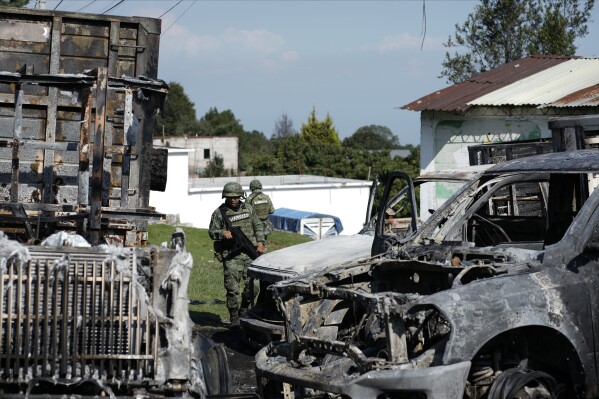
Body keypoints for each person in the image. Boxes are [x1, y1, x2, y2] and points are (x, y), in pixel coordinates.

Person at [208, 182, 265, 328]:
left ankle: (244, 309)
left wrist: (260, 242)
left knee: (255, 287)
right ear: (225, 197)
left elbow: (258, 225)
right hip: (232, 257)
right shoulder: (219, 213)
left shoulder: (248, 208)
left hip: (250, 254)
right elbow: (211, 232)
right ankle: (234, 316)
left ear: (241, 196)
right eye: (229, 197)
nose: (233, 200)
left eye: (236, 197)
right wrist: (222, 233)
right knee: (232, 289)